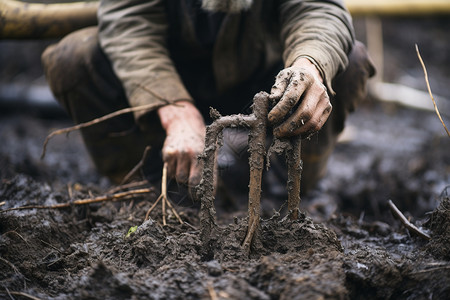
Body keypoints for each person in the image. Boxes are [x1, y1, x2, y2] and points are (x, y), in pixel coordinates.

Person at [42, 0, 375, 196]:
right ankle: (145, 183)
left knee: (348, 60)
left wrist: (310, 64)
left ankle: (283, 183)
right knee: (74, 58)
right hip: (168, 72)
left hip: (265, 79)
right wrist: (171, 106)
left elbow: (318, 8)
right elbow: (130, 21)